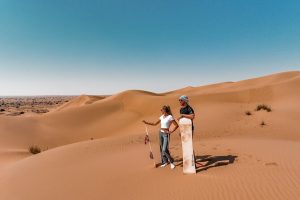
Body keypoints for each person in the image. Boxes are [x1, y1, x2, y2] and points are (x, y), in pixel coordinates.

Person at [143, 105, 179, 169]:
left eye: (161, 109)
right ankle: (165, 162)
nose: (161, 111)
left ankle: (171, 162)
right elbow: (155, 123)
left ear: (165, 110)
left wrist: (171, 131)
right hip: (160, 133)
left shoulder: (170, 117)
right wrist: (146, 122)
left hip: (166, 134)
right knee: (161, 148)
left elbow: (176, 125)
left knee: (164, 149)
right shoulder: (161, 117)